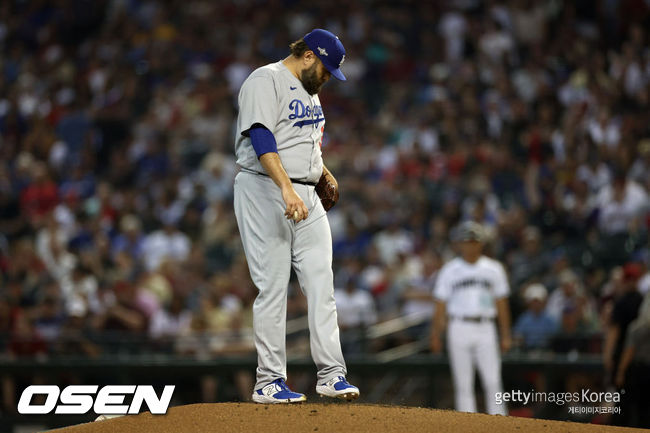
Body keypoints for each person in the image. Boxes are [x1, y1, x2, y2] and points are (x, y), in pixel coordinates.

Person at [233, 28, 359, 404]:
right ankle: (269, 381)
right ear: (308, 56)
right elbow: (261, 136)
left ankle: (331, 374)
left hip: (305, 192)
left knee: (322, 285)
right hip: (263, 187)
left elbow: (302, 141)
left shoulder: (311, 92)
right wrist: (287, 188)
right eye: (325, 70)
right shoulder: (265, 79)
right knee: (272, 287)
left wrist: (323, 172)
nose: (327, 80)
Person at [430, 221, 510, 415]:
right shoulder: (450, 269)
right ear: (459, 244)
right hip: (458, 326)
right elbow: (440, 304)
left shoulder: (493, 268)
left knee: (492, 380)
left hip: (486, 327)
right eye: (466, 241)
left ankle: (500, 423)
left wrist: (506, 334)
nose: (470, 245)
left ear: (481, 243)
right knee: (463, 383)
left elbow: (502, 304)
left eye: (474, 241)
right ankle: (467, 424)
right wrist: (435, 334)